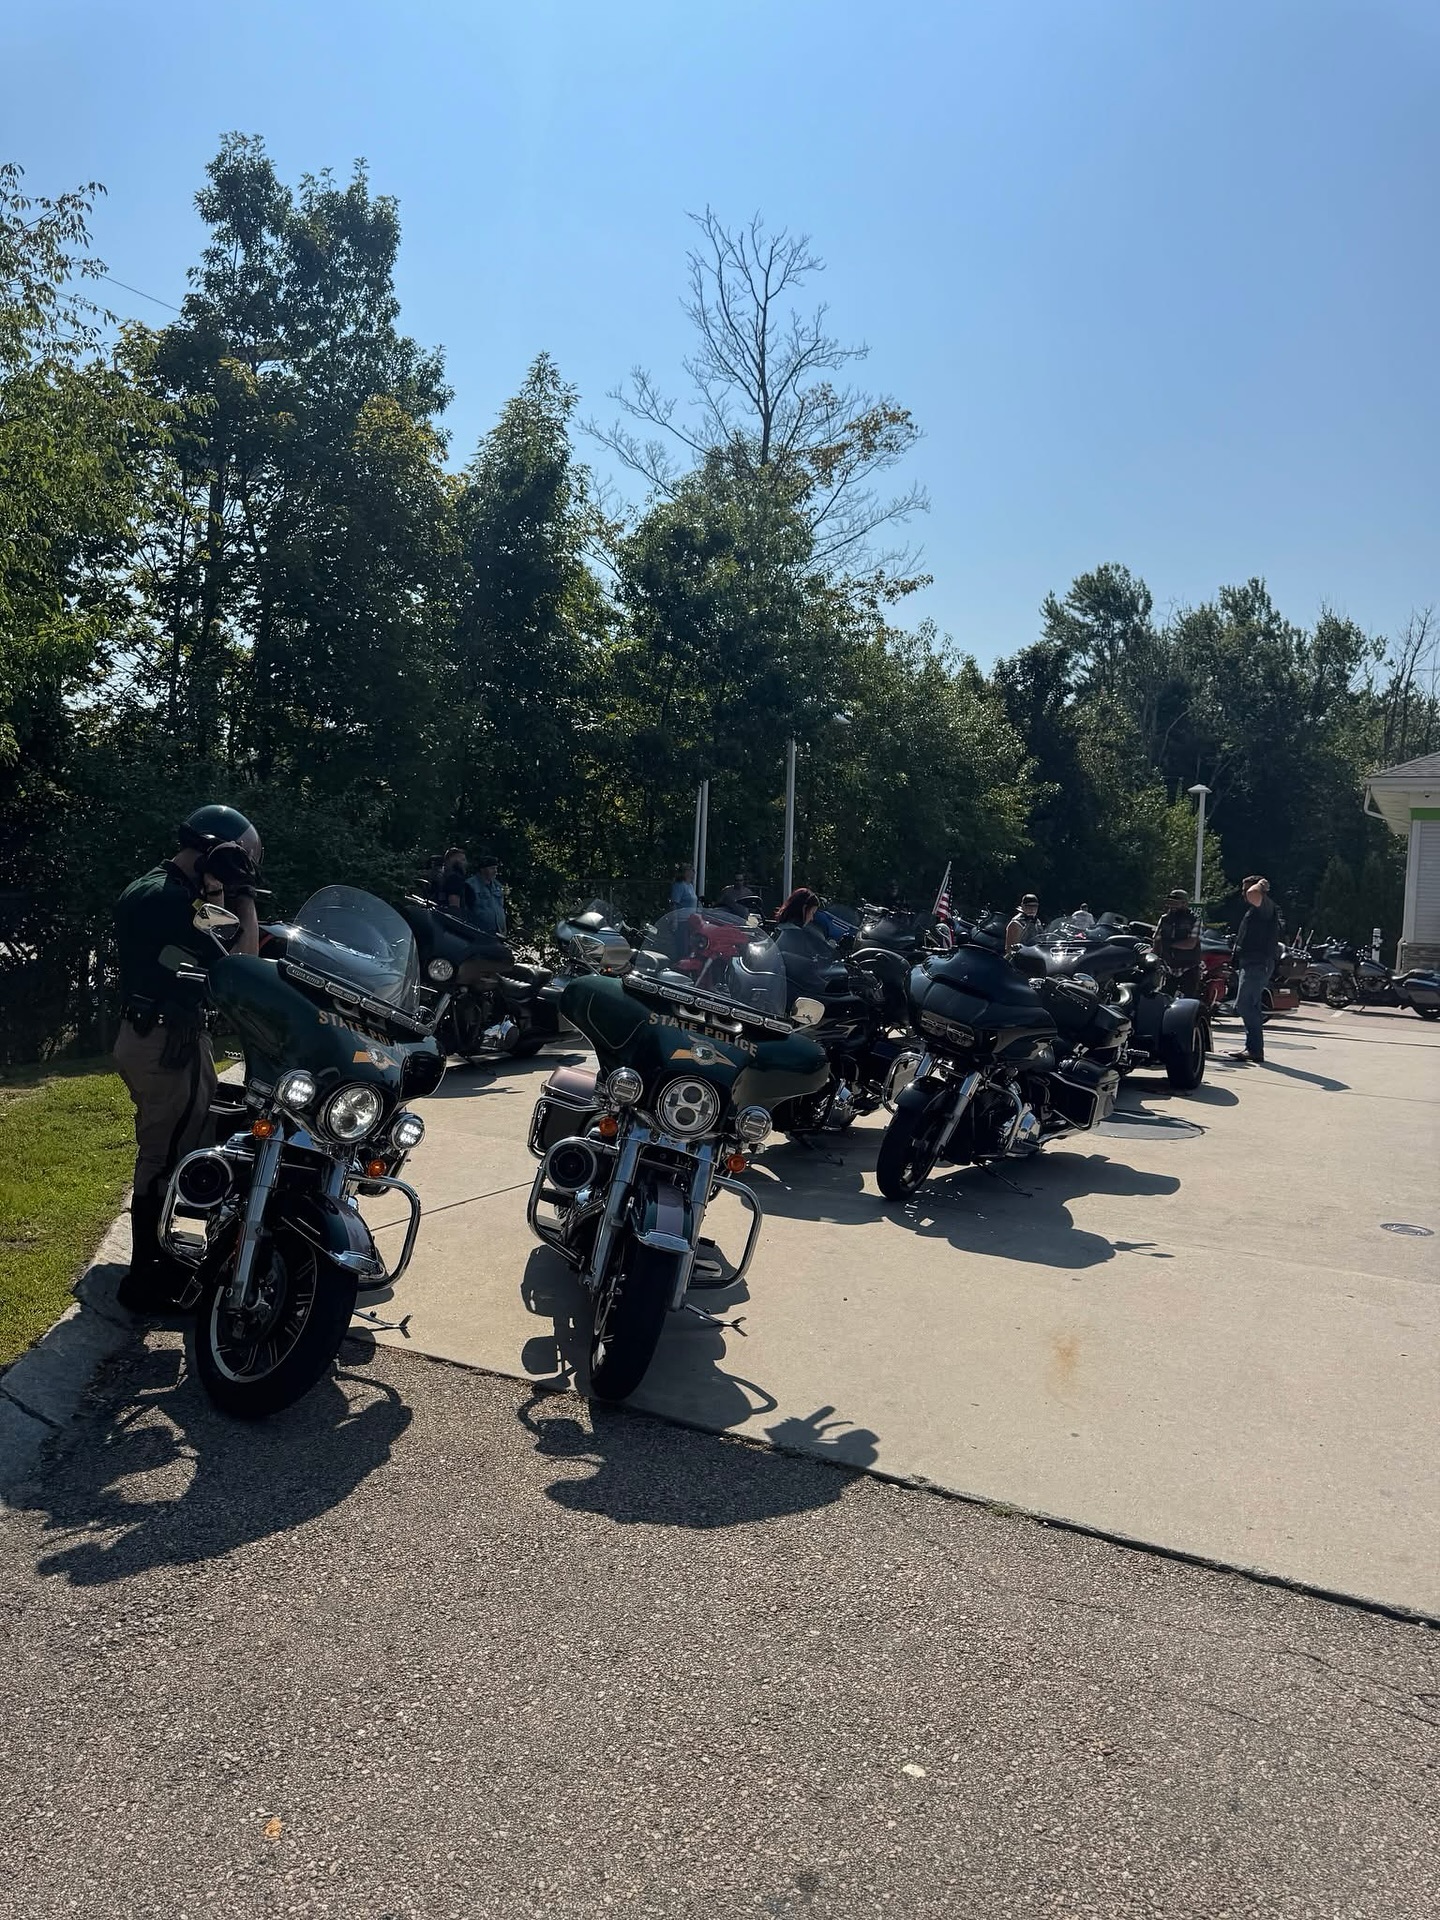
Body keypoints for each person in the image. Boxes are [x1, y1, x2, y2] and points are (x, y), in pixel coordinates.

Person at [112, 804, 262, 1311]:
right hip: (160, 1041)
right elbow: (242, 963)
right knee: (163, 1152)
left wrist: (217, 885)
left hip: (164, 1034)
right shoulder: (168, 899)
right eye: (235, 861)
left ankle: (160, 1257)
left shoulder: (164, 888)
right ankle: (145, 1277)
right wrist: (237, 896)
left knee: (182, 1140)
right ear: (212, 851)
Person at [1230, 876, 1283, 1064]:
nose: (1245, 893)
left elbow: (1254, 893)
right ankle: (1253, 1049)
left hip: (1258, 963)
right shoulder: (1256, 910)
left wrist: (1260, 883)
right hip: (1251, 962)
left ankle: (1254, 1049)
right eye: (1243, 890)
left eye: (1246, 889)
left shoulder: (1265, 907)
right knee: (1250, 1006)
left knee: (1243, 1005)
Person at [1155, 887, 1202, 996]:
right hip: (1168, 966)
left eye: (1175, 903)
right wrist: (1155, 956)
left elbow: (1191, 943)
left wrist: (1170, 945)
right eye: (1170, 903)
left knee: (1189, 999)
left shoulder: (1194, 919)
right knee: (1163, 997)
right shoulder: (1164, 918)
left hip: (1188, 966)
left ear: (1184, 903)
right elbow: (1157, 939)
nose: (1172, 906)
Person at [466, 853, 507, 935]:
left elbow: (500, 907)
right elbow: (466, 909)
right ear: (483, 869)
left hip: (499, 932)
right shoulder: (470, 885)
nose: (495, 871)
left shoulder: (497, 885)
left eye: (496, 868)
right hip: (480, 932)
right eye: (492, 868)